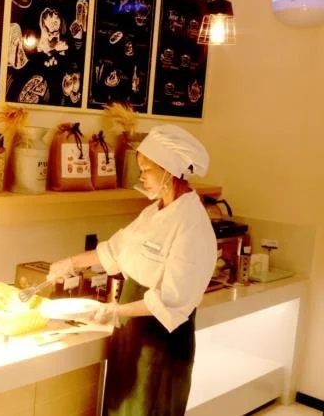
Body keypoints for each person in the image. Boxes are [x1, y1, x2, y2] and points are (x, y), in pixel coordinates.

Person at [47, 124, 217, 416]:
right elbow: (115, 250)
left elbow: (170, 301)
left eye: (147, 170)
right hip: (131, 334)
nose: (142, 177)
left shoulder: (192, 225)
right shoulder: (154, 212)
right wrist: (70, 263)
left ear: (169, 171)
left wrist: (115, 311)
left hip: (161, 343)